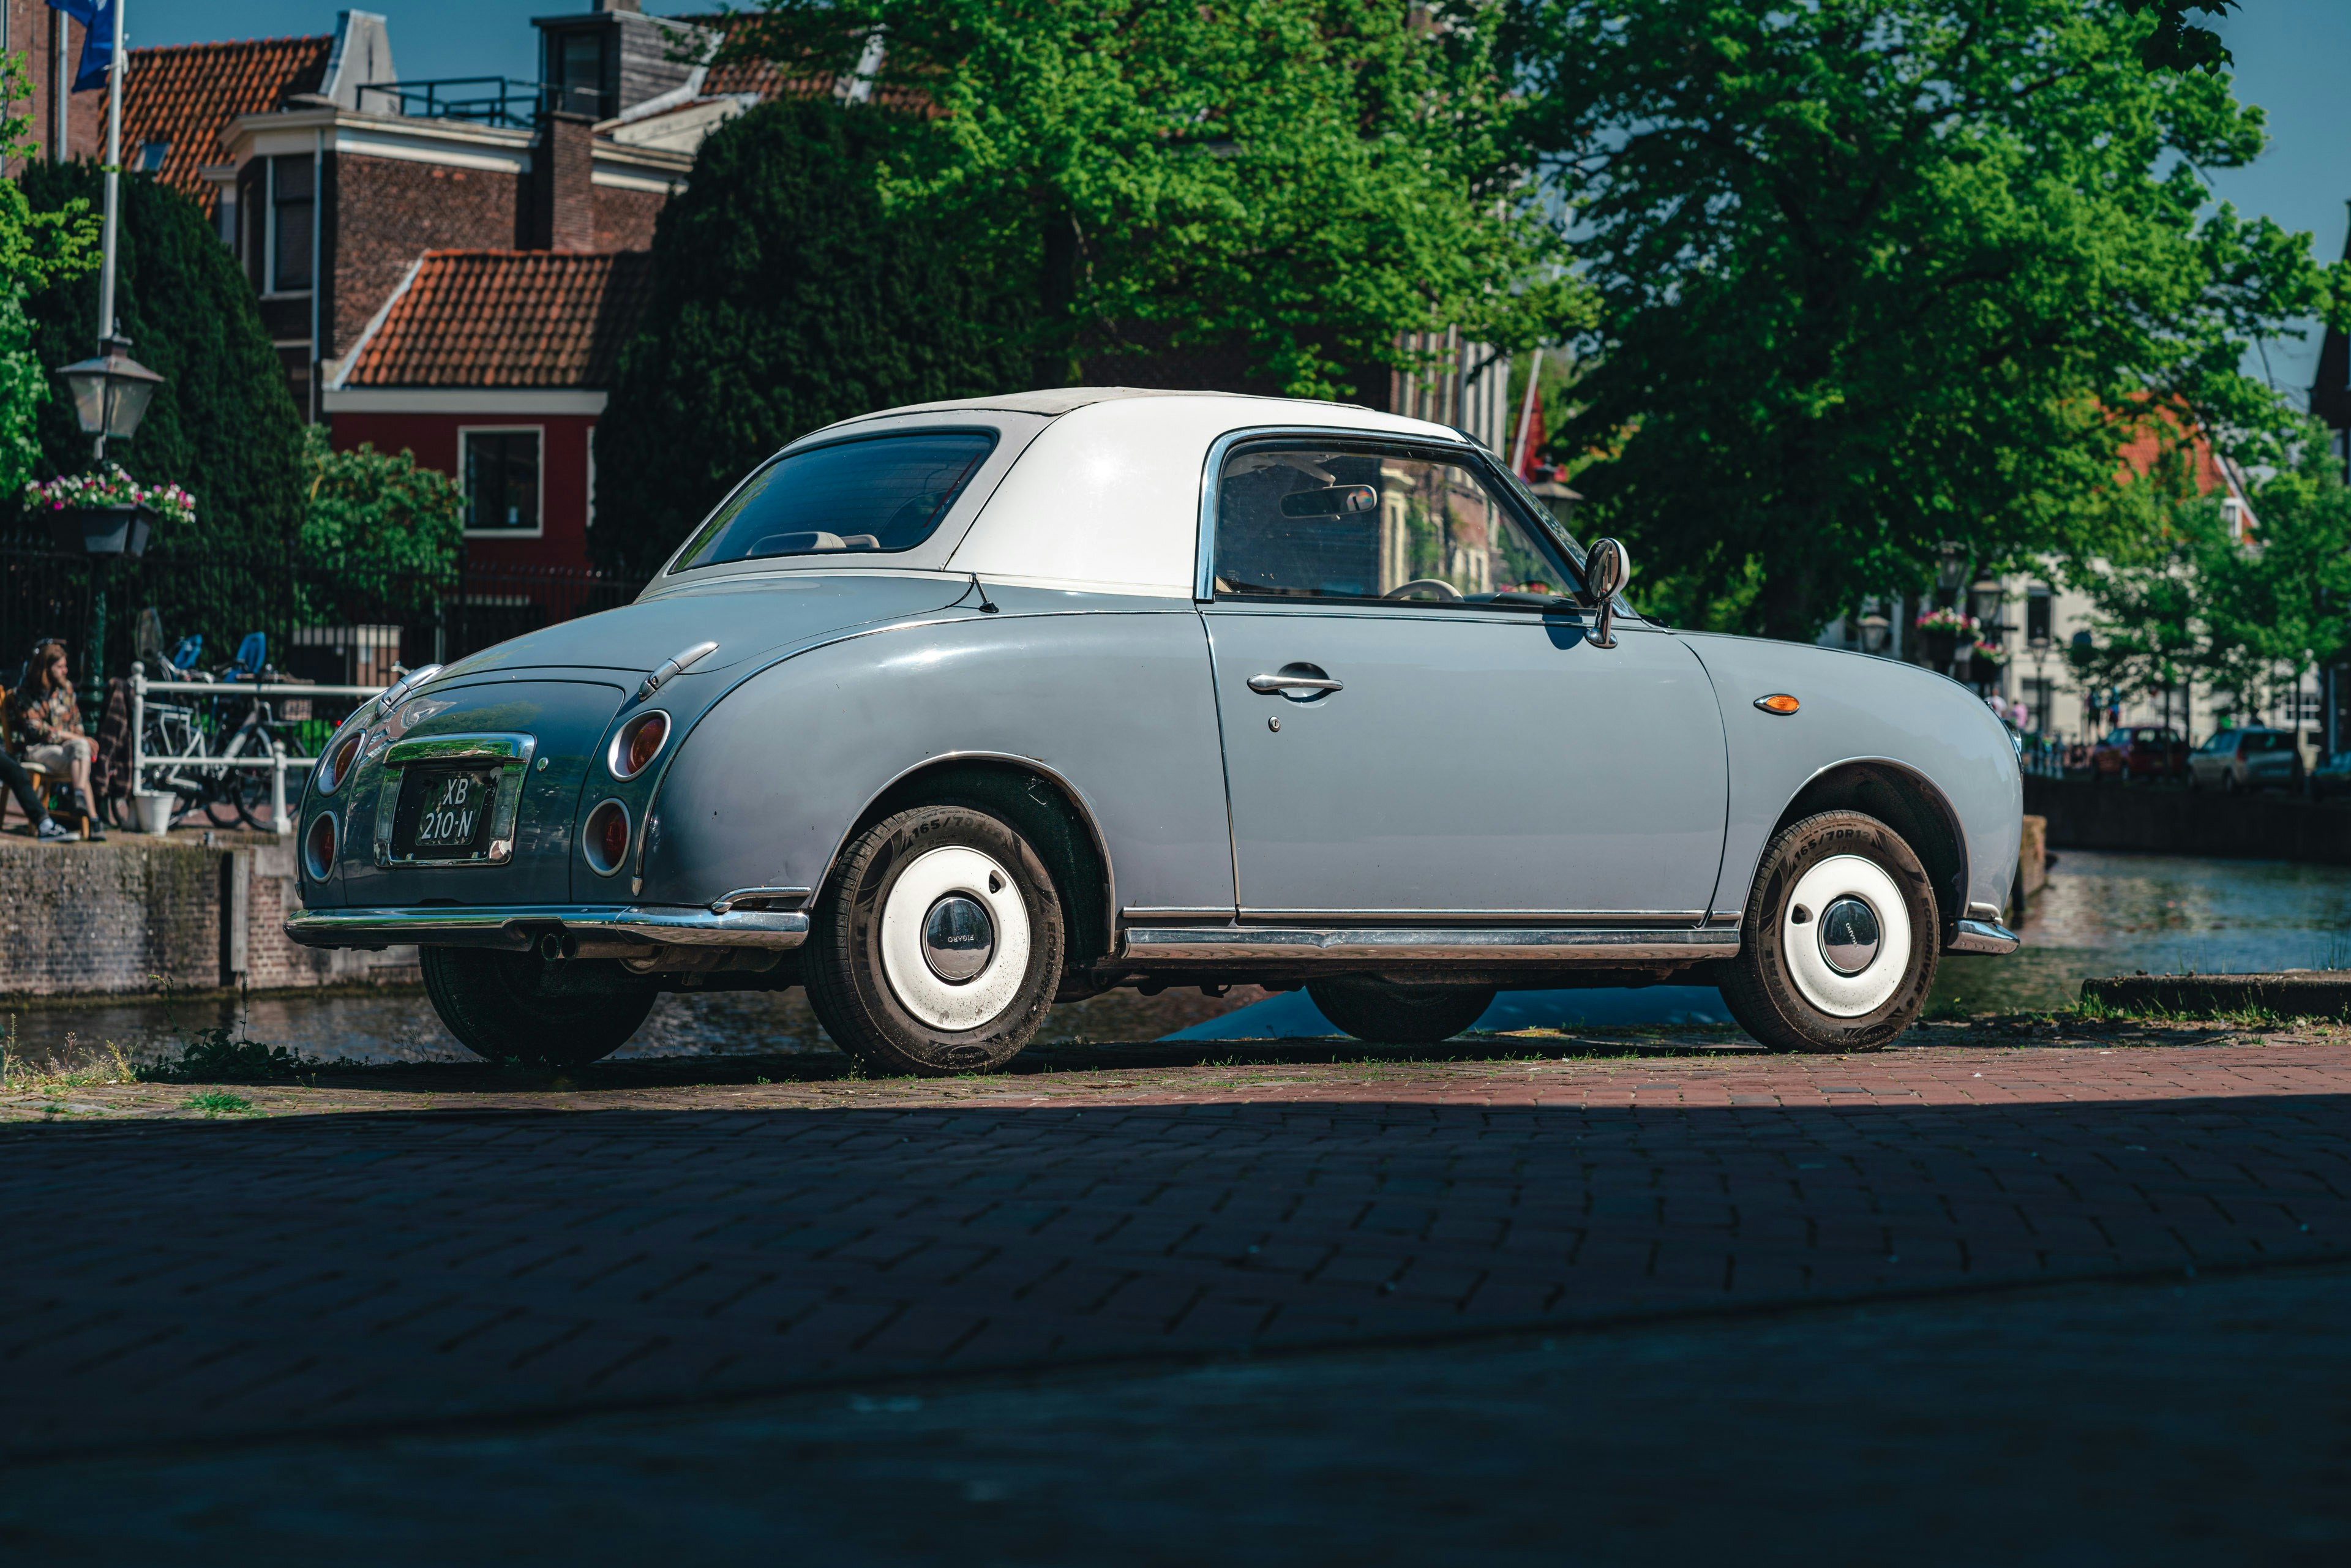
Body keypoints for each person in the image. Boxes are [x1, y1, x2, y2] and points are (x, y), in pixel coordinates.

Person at [9, 640, 103, 839]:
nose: (65, 670)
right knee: (81, 756)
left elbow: (78, 726)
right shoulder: (24, 693)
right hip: (37, 749)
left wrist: (75, 738)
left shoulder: (66, 690)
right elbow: (38, 730)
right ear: (46, 667)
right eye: (59, 667)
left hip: (66, 750)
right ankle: (93, 820)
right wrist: (71, 737)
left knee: (80, 751)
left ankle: (79, 798)